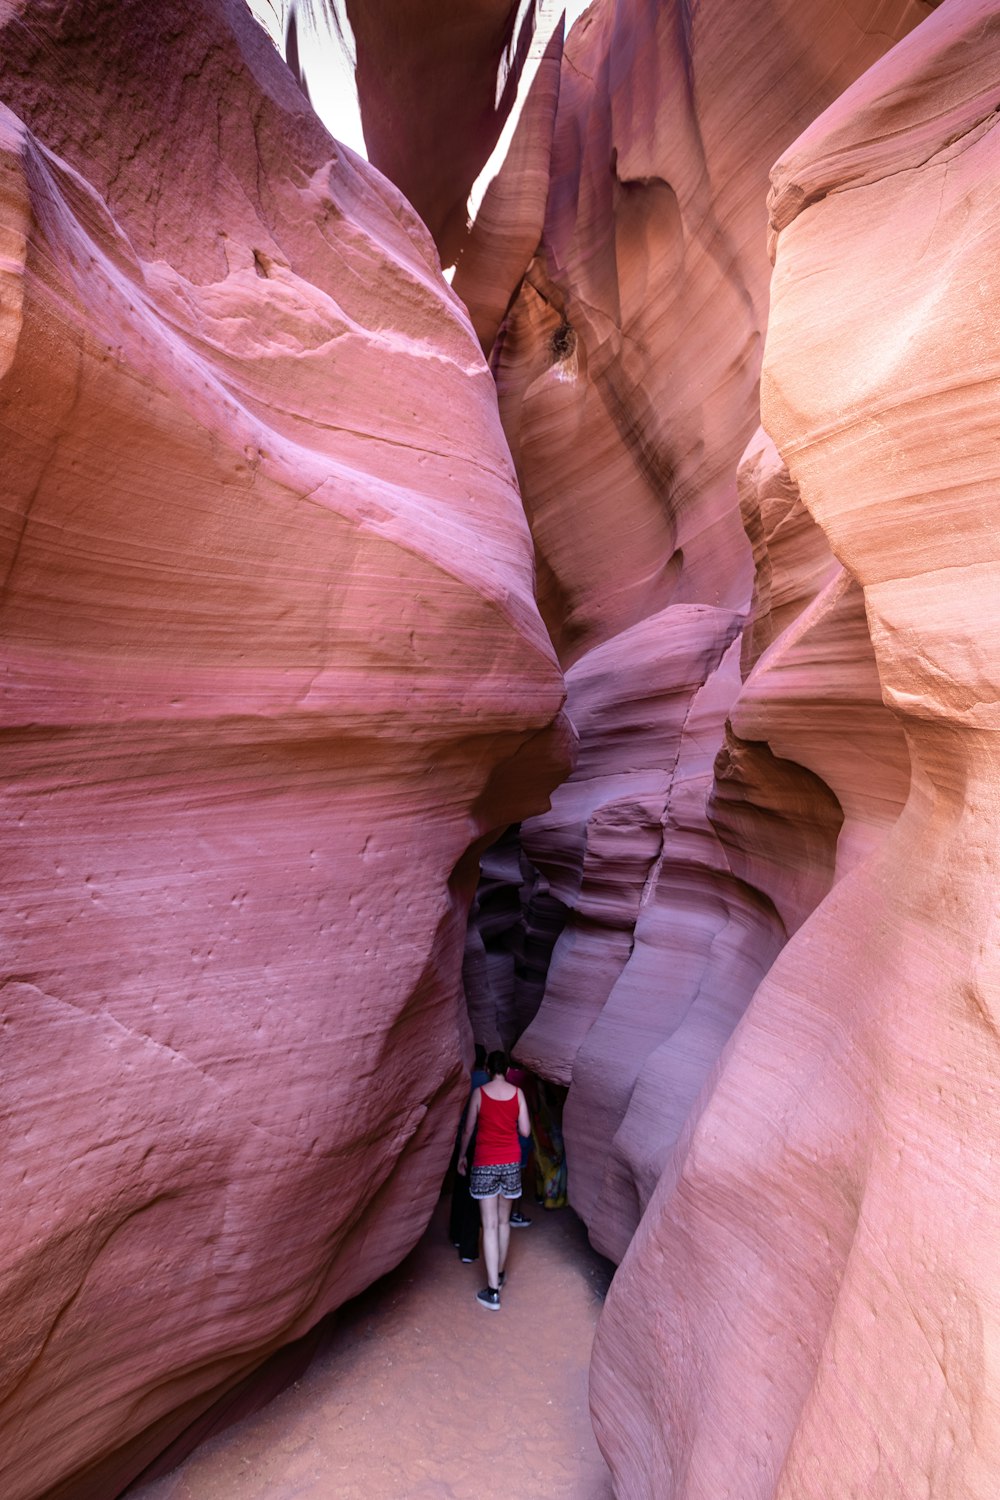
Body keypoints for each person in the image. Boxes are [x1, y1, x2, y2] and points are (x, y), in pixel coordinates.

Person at [457, 1049, 530, 1310]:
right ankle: (499, 1274)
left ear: (488, 1069)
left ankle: (493, 1291)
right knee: (503, 1221)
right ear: (508, 1070)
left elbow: (468, 1129)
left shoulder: (480, 1093)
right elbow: (525, 1130)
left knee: (488, 1225)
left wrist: (462, 1156)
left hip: (486, 1162)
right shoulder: (517, 1094)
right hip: (510, 1162)